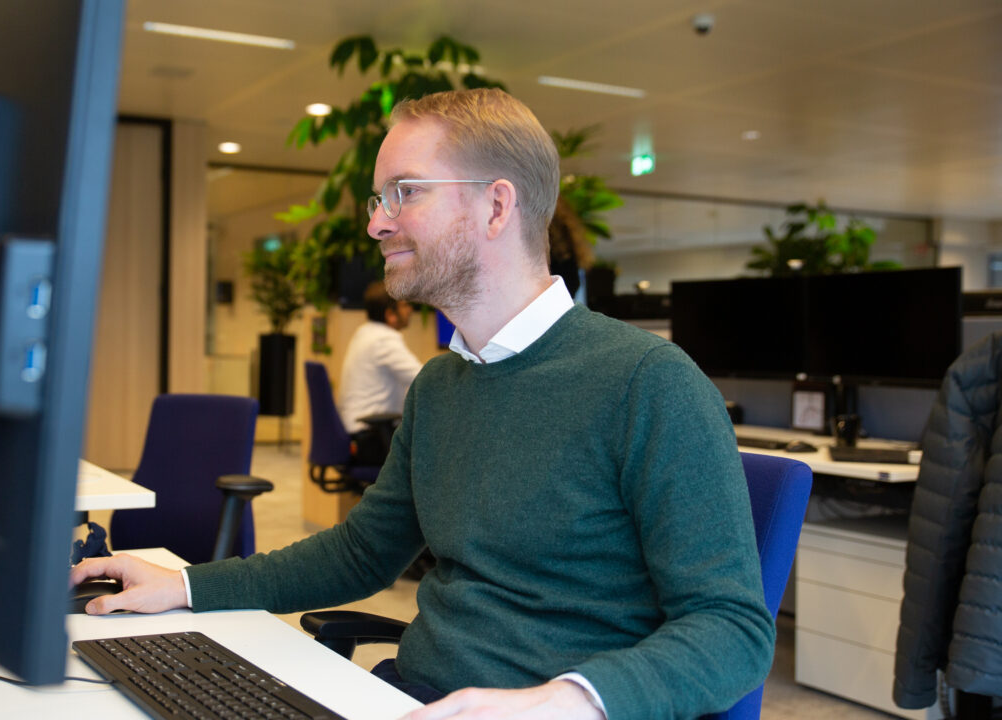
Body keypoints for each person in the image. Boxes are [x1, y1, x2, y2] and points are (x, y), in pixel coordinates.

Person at [72, 87, 774, 720]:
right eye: (378, 199)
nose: (377, 225)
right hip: (411, 695)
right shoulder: (441, 386)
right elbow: (361, 553)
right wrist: (186, 586)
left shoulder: (648, 382)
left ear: (496, 206)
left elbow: (732, 629)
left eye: (404, 192)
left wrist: (569, 701)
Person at [337, 281, 422, 465]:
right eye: (405, 305)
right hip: (372, 439)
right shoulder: (384, 340)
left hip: (360, 435)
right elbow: (423, 379)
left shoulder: (365, 333)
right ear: (390, 315)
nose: (410, 310)